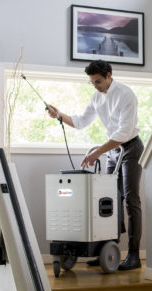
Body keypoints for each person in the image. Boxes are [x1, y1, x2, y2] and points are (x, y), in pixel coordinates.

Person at [47, 60, 144, 270]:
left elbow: (123, 133)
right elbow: (81, 121)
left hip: (130, 149)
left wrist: (97, 152)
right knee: (108, 201)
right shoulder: (96, 97)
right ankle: (107, 251)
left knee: (131, 200)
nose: (96, 86)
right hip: (112, 150)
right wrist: (59, 115)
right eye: (92, 82)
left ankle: (134, 255)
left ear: (109, 75)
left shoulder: (126, 95)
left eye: (98, 81)